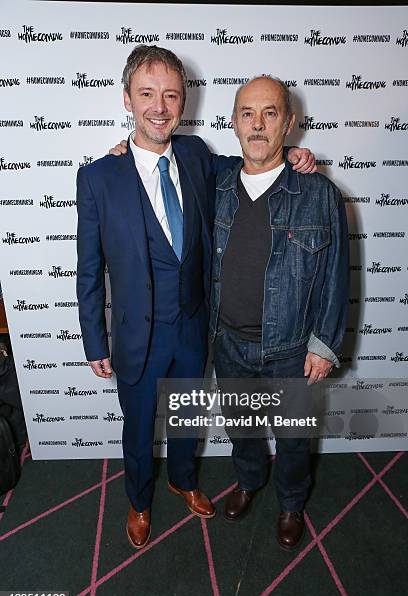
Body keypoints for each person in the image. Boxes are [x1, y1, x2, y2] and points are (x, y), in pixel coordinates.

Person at [77, 45, 315, 550]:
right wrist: (94, 340)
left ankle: (183, 480)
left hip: (192, 330)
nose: (159, 107)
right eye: (147, 94)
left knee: (186, 420)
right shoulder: (98, 177)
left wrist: (291, 156)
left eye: (170, 95)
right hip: (136, 337)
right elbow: (89, 268)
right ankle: (139, 502)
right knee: (139, 430)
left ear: (183, 103)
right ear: (127, 100)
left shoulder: (196, 155)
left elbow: (254, 160)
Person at [208, 76, 349, 551]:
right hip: (228, 344)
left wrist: (325, 344)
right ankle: (249, 481)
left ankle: (291, 502)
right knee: (241, 428)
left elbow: (335, 276)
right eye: (247, 113)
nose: (258, 124)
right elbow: (159, 161)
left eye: (270, 113)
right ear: (233, 121)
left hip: (292, 350)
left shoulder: (319, 194)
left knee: (293, 439)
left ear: (289, 121)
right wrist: (125, 151)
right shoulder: (216, 186)